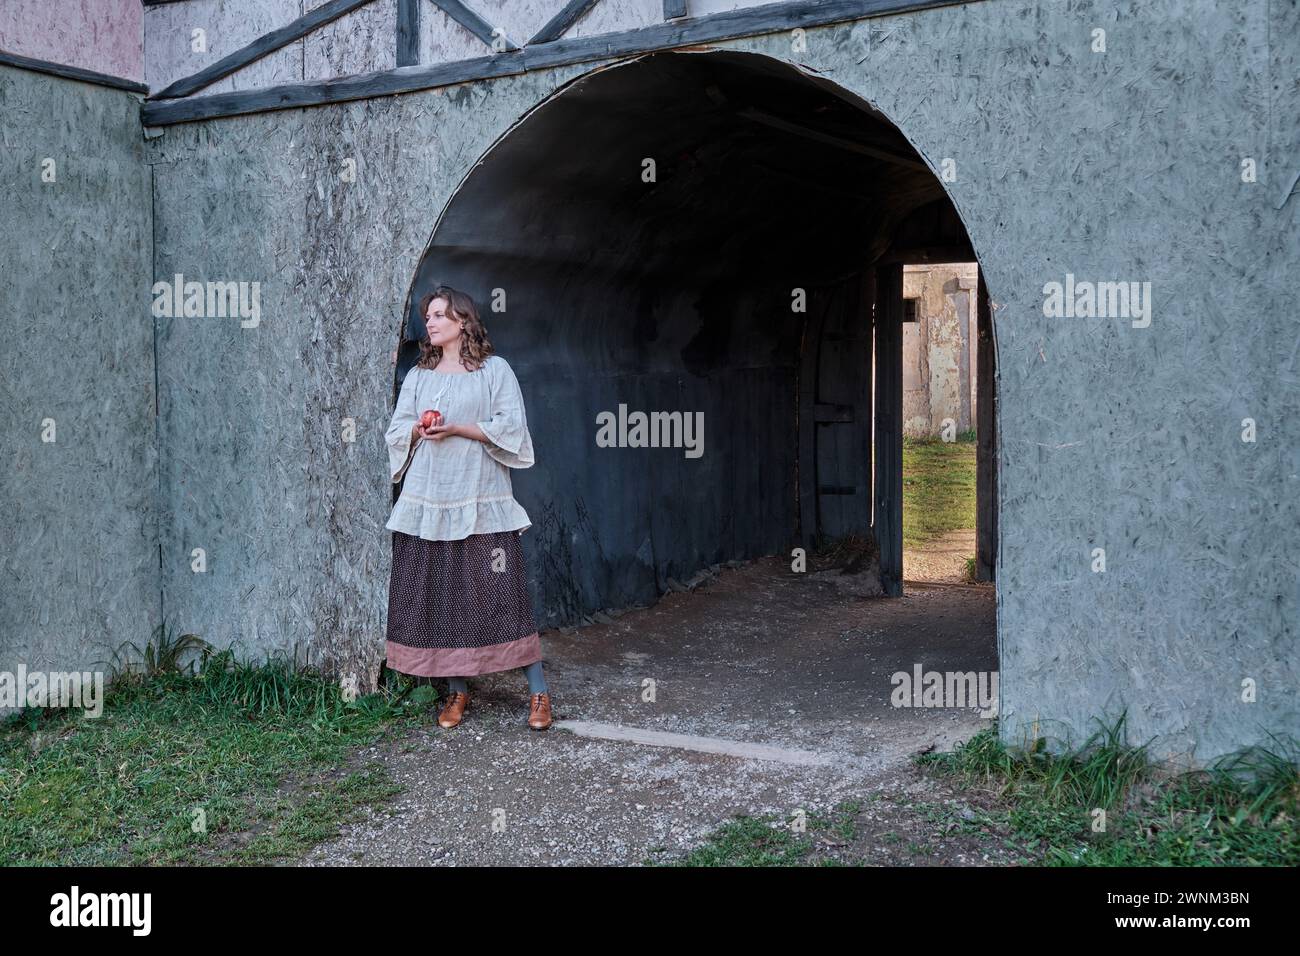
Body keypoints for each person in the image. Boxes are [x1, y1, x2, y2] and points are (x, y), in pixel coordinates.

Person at [383, 285, 551, 730]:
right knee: (442, 598)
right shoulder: (420, 375)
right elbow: (397, 429)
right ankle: (457, 690)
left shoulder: (494, 371)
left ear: (463, 321)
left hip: (480, 499)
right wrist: (420, 430)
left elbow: (512, 428)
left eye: (439, 315)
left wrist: (458, 428)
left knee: (502, 595)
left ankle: (538, 692)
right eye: (428, 316)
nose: (430, 323)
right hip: (430, 501)